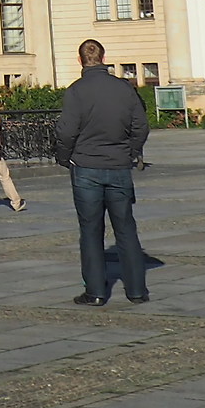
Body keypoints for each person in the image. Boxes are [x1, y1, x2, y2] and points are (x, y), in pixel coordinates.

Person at [54, 39, 149, 306]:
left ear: (80, 60)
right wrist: (130, 151)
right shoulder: (124, 89)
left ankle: (95, 292)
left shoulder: (76, 91)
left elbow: (66, 131)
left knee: (91, 230)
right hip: (118, 165)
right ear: (104, 58)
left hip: (86, 166)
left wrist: (65, 157)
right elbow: (141, 126)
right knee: (126, 228)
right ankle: (136, 290)